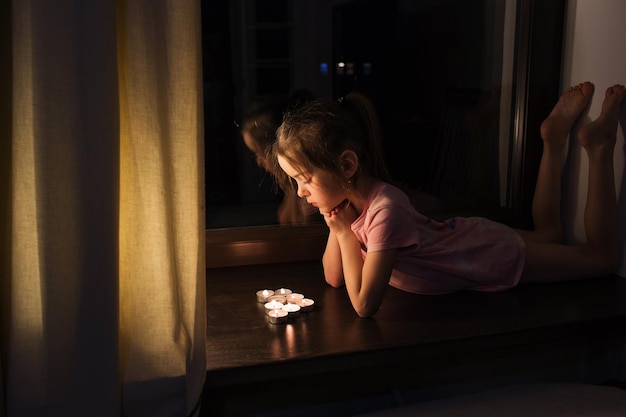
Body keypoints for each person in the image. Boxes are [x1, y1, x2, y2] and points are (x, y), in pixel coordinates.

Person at [273, 82, 624, 317]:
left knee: (600, 258)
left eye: (304, 179)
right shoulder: (351, 206)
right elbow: (335, 278)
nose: (301, 192)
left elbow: (365, 304)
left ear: (347, 164)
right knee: (548, 233)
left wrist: (345, 233)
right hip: (469, 241)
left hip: (487, 256)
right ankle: (553, 139)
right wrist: (338, 228)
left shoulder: (385, 211)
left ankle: (599, 146)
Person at [241, 89, 321, 225]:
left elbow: (302, 235)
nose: (259, 162)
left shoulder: (310, 194)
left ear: (278, 149)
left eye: (259, 153)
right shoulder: (290, 187)